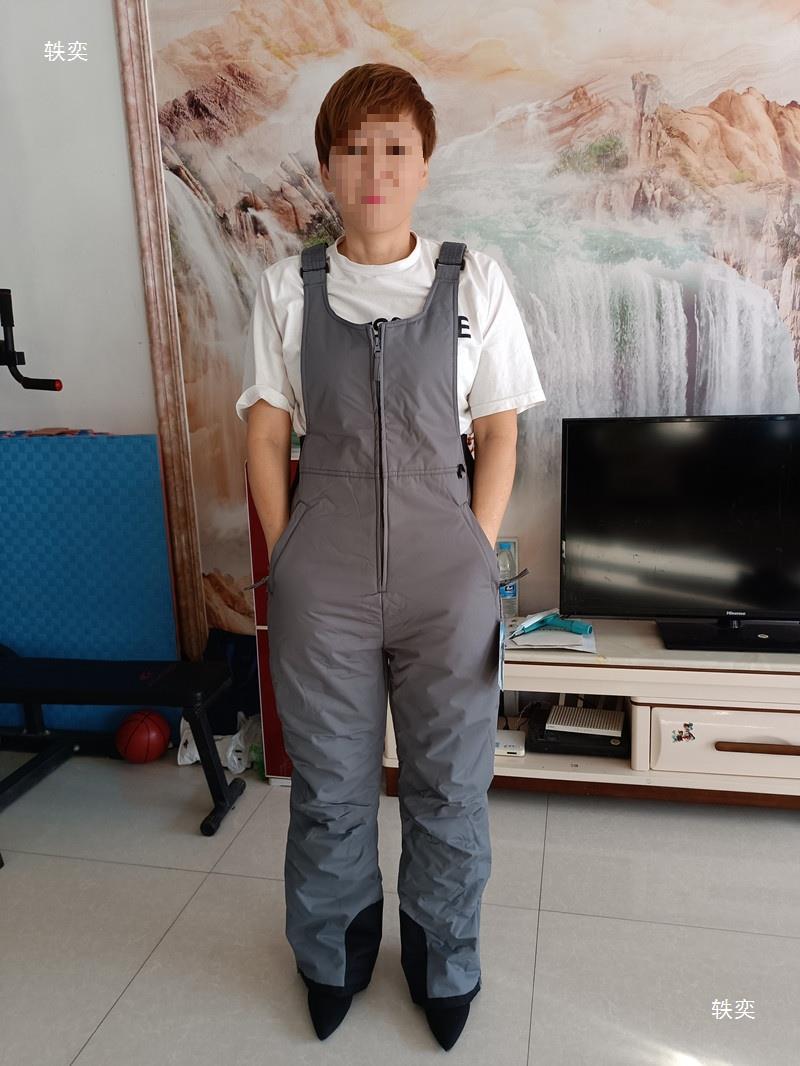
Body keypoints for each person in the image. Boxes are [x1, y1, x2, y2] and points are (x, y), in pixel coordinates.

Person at [236, 62, 546, 1051]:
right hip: (321, 569)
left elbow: (497, 429)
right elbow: (264, 429)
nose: (374, 169)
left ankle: (441, 961)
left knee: (449, 786)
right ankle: (332, 955)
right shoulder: (288, 287)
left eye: (395, 148)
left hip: (444, 566)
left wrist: (472, 545)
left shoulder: (473, 278)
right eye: (353, 149)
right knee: (329, 788)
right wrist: (287, 550)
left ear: (423, 162)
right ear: (327, 165)